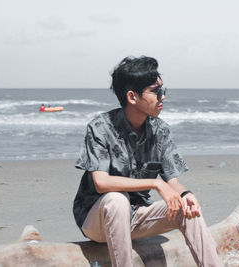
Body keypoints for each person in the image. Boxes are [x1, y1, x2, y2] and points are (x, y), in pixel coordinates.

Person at [73, 56, 220, 267]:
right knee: (117, 200)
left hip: (136, 216)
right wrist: (155, 183)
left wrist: (186, 194)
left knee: (188, 208)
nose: (162, 97)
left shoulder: (160, 130)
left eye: (163, 90)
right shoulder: (100, 128)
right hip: (97, 219)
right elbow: (101, 182)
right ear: (132, 97)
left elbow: (173, 182)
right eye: (155, 91)